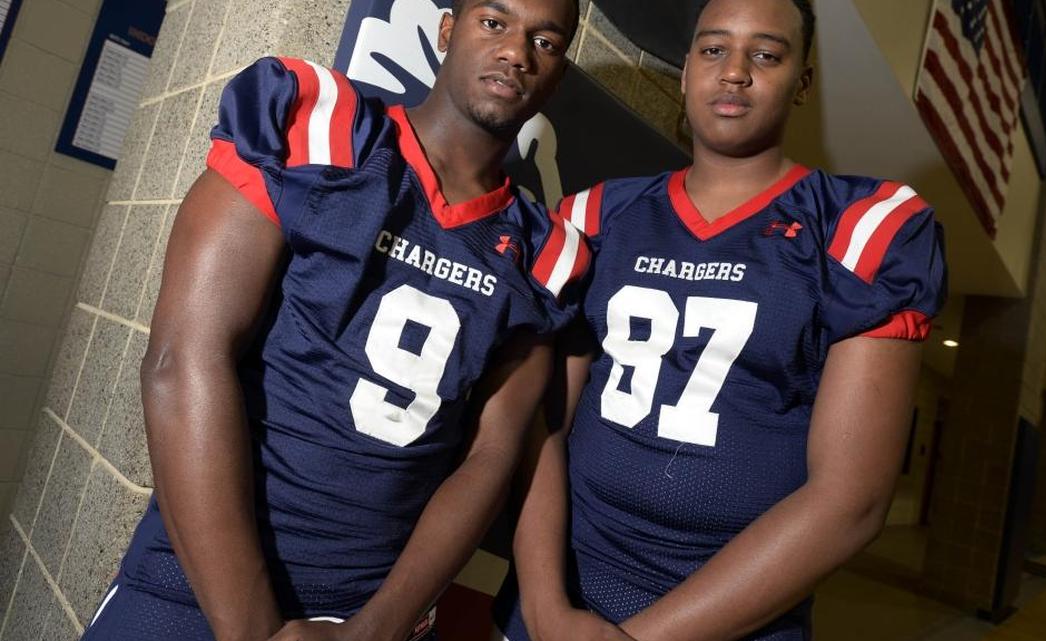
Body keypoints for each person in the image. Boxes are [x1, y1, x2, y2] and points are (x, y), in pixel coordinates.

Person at [80, 1, 586, 640]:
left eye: (545, 40)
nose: (517, 52)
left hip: (373, 608)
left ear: (559, 71)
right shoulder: (322, 132)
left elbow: (491, 453)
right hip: (201, 581)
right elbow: (182, 360)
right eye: (494, 22)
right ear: (448, 29)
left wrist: (377, 628)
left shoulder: (544, 252)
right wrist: (252, 630)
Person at [493, 0, 947, 639]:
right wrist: (544, 608)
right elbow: (541, 426)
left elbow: (852, 501)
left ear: (802, 83)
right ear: (683, 73)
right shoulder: (598, 215)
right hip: (565, 599)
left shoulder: (859, 227)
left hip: (735, 621)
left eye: (765, 54)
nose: (734, 72)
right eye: (712, 50)